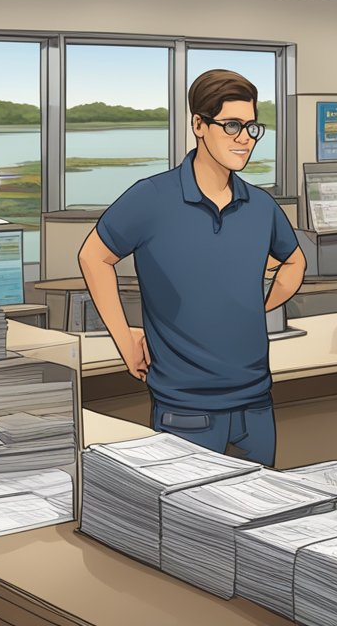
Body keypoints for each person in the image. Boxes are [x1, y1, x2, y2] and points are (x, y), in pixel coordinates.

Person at [78, 69, 306, 466]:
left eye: (252, 128)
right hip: (185, 412)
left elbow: (293, 260)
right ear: (199, 125)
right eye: (232, 125)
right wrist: (123, 337)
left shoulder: (260, 205)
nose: (243, 139)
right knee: (193, 525)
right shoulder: (152, 198)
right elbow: (93, 256)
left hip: (255, 408)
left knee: (259, 523)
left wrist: (257, 307)